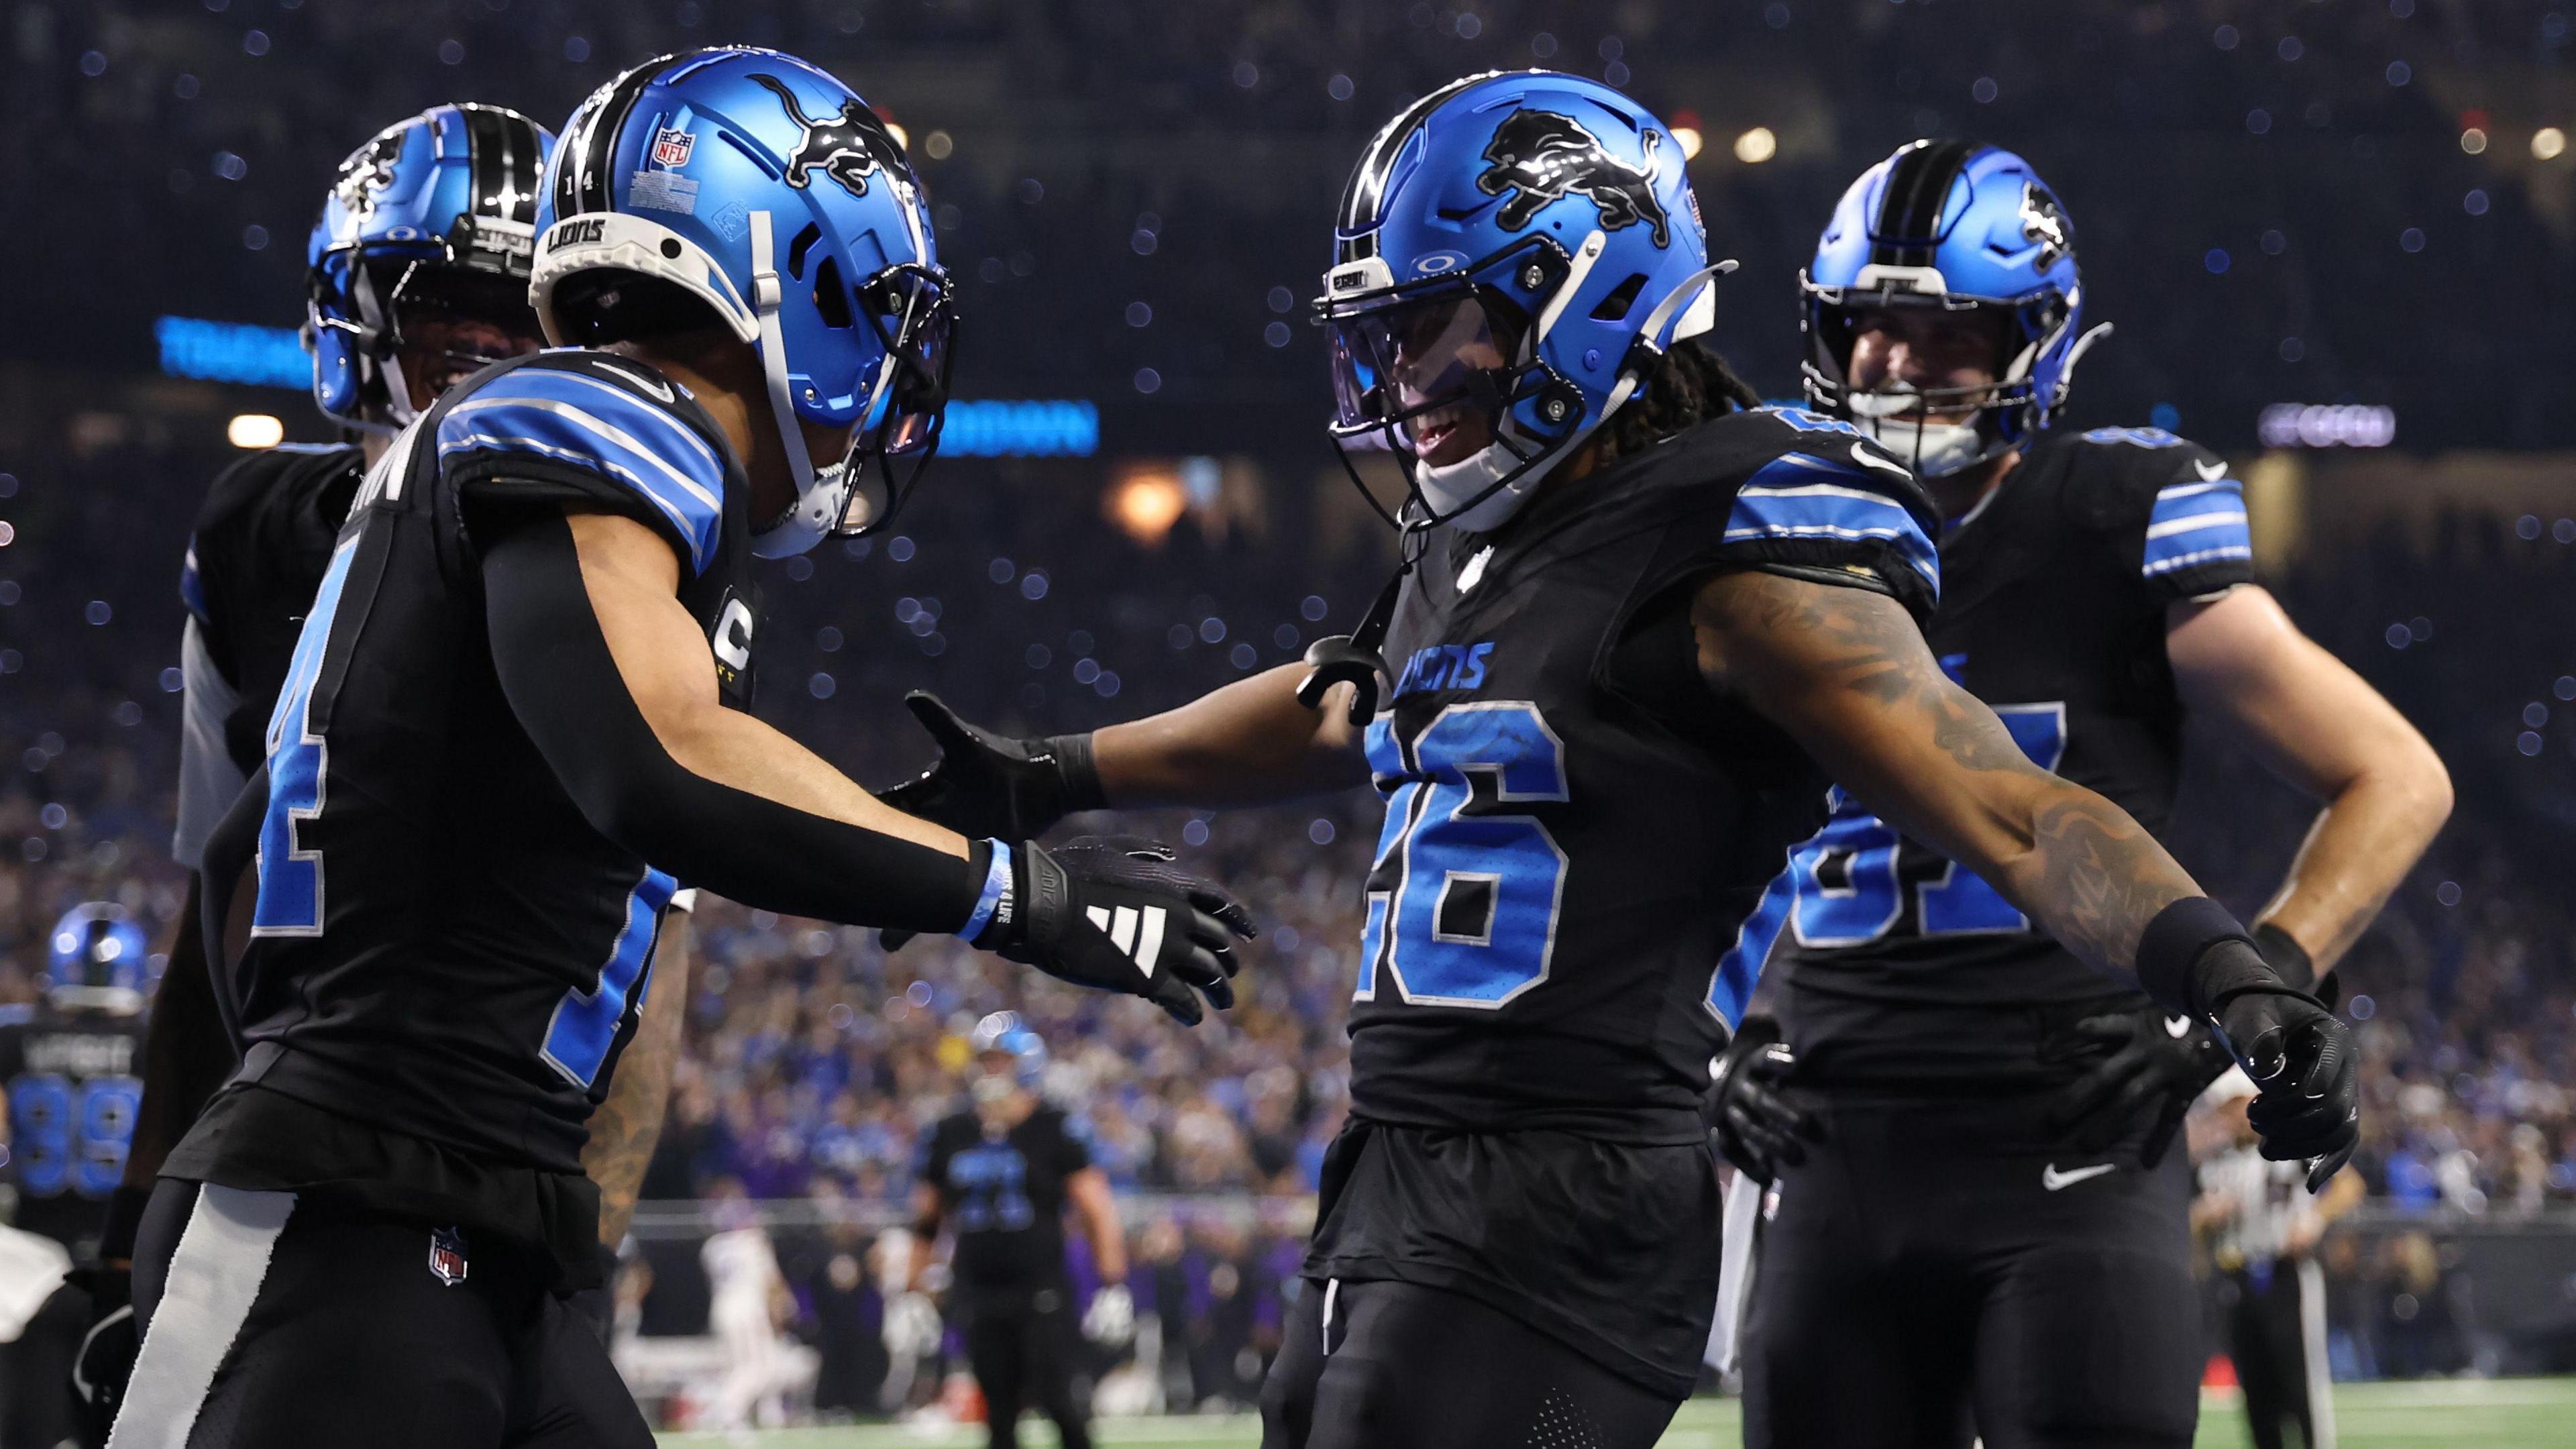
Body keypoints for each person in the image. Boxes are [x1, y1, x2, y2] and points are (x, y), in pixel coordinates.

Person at [875, 72, 2357, 1449]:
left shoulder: (1742, 544)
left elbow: (2004, 803)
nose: (1405, 374)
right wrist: (1059, 773)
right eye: (1386, 332)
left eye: (1439, 325)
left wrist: (2227, 970)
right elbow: (1351, 705)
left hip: (1568, 1198)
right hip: (1398, 1162)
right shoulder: (1491, 536)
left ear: (1584, 302)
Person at [110, 48, 1250, 1449]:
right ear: (793, 272)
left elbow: (239, 866)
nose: (885, 360)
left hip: (467, 1210)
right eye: (874, 308)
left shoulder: (536, 462)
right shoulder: (592, 411)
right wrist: (1024, 892)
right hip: (355, 1207)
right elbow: (659, 757)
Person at [1726, 139, 2451, 1449]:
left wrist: (2259, 981)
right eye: (1869, 326)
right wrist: (1698, 1033)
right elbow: (1681, 813)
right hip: (1832, 1134)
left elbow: (2393, 772)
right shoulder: (1772, 530)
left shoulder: (2111, 516)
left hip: (2071, 1128)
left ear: (2034, 341)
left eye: (1943, 332)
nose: (1893, 362)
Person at [80, 103, 704, 1438]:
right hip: (314, 1178)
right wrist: (143, 1219)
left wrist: (575, 1246)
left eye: (515, 330)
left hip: (491, 1187)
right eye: (447, 327)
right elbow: (217, 906)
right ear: (360, 325)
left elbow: (647, 963)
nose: (482, 365)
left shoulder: (613, 551)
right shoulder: (256, 539)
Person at [912, 1013, 1132, 1449]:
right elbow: (927, 1218)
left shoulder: (1053, 1127)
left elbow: (1097, 1209)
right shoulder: (951, 1130)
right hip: (977, 1290)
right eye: (986, 1059)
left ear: (1026, 1063)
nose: (993, 1070)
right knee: (997, 1412)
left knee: (1060, 1402)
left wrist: (1112, 1281)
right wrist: (912, 1287)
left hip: (1041, 1289)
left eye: (1003, 1060)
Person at [0, 907, 152, 1449]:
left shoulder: (15, 1037)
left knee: (28, 1427)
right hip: (127, 1266)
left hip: (33, 1267)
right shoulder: (157, 1040)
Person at [2195, 1070, 2364, 1449]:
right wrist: (2202, 1218)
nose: (2228, 1115)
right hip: (2236, 1278)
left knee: (2299, 1384)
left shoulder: (2291, 1143)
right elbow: (2194, 1236)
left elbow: (2349, 1183)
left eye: (2234, 1105)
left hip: (2285, 1274)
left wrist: (2315, 1219)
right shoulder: (2214, 1160)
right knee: (2257, 1393)